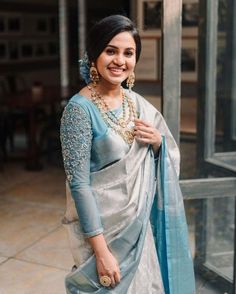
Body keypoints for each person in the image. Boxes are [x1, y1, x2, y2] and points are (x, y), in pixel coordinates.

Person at [60, 14, 195, 294]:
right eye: (111, 51)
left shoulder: (137, 104)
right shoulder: (79, 110)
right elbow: (79, 186)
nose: (119, 61)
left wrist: (158, 144)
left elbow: (168, 156)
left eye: (128, 53)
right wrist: (102, 253)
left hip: (139, 230)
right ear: (94, 54)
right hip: (104, 236)